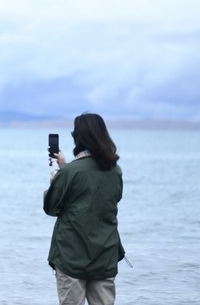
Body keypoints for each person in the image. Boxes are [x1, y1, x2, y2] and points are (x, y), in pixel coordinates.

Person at [44, 113, 124, 305]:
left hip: (71, 257)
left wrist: (57, 179)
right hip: (104, 255)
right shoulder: (115, 171)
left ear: (78, 138)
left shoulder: (70, 172)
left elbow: (51, 207)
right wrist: (65, 168)